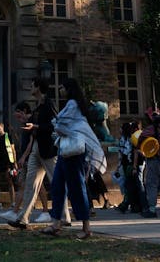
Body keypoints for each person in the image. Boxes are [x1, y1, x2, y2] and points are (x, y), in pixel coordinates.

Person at [39, 78, 104, 240]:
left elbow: (62, 124)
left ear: (69, 89)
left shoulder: (73, 104)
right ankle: (55, 223)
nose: (59, 89)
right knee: (57, 185)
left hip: (74, 153)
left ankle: (86, 227)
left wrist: (57, 125)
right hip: (65, 151)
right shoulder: (72, 105)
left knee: (76, 187)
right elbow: (61, 124)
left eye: (62, 87)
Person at [7, 78, 66, 228]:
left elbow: (54, 124)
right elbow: (34, 123)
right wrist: (28, 121)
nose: (30, 88)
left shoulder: (48, 104)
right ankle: (23, 218)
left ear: (38, 88)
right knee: (30, 184)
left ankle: (65, 216)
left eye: (32, 85)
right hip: (37, 148)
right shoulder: (38, 105)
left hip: (48, 149)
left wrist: (36, 125)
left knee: (56, 182)